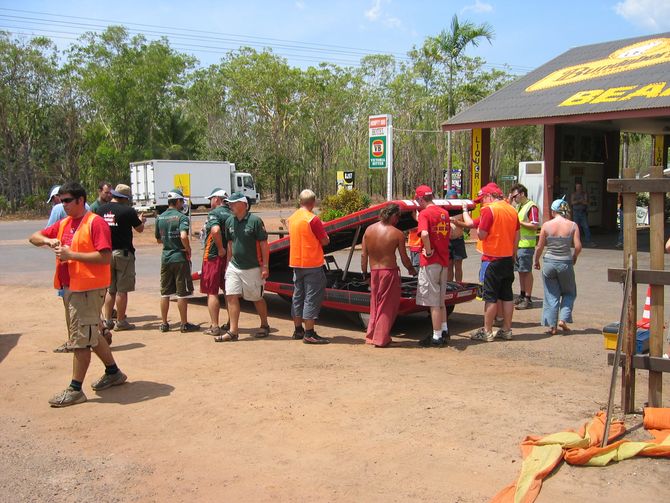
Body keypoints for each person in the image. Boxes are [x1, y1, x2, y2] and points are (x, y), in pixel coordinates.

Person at [29, 181, 127, 407]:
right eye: (61, 201)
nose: (62, 205)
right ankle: (113, 372)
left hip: (88, 289)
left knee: (80, 340)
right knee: (92, 335)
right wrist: (48, 240)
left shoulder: (95, 223)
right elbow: (33, 237)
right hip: (71, 288)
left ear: (80, 200)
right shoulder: (64, 224)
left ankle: (75, 389)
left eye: (67, 201)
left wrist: (71, 255)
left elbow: (104, 257)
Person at [462, 182, 520, 342]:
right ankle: (507, 329)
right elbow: (517, 237)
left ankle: (487, 331)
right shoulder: (511, 210)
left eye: (482, 199)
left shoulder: (489, 210)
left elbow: (481, 235)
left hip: (492, 258)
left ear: (489, 196)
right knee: (507, 295)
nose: (481, 202)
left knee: (491, 296)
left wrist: (476, 227)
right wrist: (513, 255)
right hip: (508, 258)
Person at [215, 191, 270, 342]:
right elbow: (230, 244)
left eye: (233, 203)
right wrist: (228, 264)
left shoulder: (255, 221)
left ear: (243, 204)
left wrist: (265, 266)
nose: (230, 205)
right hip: (234, 266)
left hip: (252, 267)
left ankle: (264, 324)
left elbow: (264, 244)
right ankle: (233, 331)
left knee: (256, 298)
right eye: (229, 203)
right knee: (231, 295)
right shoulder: (229, 222)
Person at [361, 203, 417, 347]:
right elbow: (404, 257)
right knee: (387, 306)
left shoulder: (368, 230)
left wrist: (364, 274)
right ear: (393, 216)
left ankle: (371, 336)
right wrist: (411, 269)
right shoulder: (397, 233)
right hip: (389, 272)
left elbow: (363, 255)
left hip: (374, 272)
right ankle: (381, 338)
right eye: (398, 216)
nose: (398, 220)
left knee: (375, 304)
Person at [96, 184, 145, 332]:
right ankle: (121, 321)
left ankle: (108, 320)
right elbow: (139, 229)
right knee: (122, 290)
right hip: (123, 253)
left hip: (106, 253)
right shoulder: (128, 211)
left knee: (110, 289)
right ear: (124, 198)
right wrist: (141, 220)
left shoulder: (101, 210)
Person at [287, 189, 331, 344]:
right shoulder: (312, 219)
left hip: (296, 262)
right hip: (312, 262)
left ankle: (298, 329)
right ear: (313, 203)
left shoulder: (292, 218)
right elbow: (325, 240)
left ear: (300, 201)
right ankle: (309, 333)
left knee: (298, 296)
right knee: (312, 297)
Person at [534, 198, 582, 335]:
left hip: (549, 262)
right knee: (569, 292)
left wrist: (536, 261)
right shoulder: (573, 225)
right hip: (565, 262)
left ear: (553, 211)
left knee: (551, 294)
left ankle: (552, 326)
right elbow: (578, 246)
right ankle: (563, 319)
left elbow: (539, 247)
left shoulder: (547, 225)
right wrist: (574, 257)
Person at [155, 188, 198, 333]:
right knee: (182, 292)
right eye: (182, 201)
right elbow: (184, 236)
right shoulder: (182, 217)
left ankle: (164, 323)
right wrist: (188, 249)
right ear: (178, 201)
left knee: (165, 292)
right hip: (179, 257)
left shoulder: (159, 218)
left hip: (165, 257)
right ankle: (184, 324)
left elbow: (158, 239)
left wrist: (168, 241)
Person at [414, 185, 451, 347]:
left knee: (433, 301)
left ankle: (436, 337)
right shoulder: (444, 212)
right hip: (444, 260)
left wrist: (428, 251)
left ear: (421, 199)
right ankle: (444, 329)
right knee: (441, 299)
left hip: (431, 262)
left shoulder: (424, 214)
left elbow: (425, 233)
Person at [200, 188, 232, 336]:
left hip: (213, 256)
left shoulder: (214, 213)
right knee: (228, 290)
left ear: (217, 199)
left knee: (211, 291)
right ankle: (232, 323)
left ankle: (215, 326)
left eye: (210, 199)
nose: (210, 202)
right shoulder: (233, 213)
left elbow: (215, 230)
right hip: (230, 257)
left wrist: (220, 248)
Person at [510, 183, 540, 310]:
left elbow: (535, 225)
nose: (514, 198)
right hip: (519, 245)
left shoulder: (531, 207)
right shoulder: (519, 206)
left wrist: (520, 222)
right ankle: (522, 295)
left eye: (515, 196)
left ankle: (528, 298)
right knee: (521, 272)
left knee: (526, 272)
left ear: (522, 194)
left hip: (526, 245)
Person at [446, 189, 467, 282]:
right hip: (447, 241)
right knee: (448, 266)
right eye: (450, 199)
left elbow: (467, 225)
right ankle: (450, 286)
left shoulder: (461, 210)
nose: (452, 202)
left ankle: (459, 285)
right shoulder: (444, 209)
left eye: (454, 199)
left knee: (458, 266)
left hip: (458, 240)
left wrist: (456, 222)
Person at [571, 182, 595, 247]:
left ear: (581, 187)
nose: (578, 188)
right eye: (577, 187)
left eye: (579, 187)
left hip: (582, 212)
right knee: (576, 227)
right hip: (576, 212)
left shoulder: (584, 194)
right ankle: (575, 241)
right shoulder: (573, 194)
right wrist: (580, 201)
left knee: (586, 227)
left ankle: (588, 241)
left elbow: (586, 203)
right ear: (575, 188)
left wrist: (578, 201)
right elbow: (572, 202)